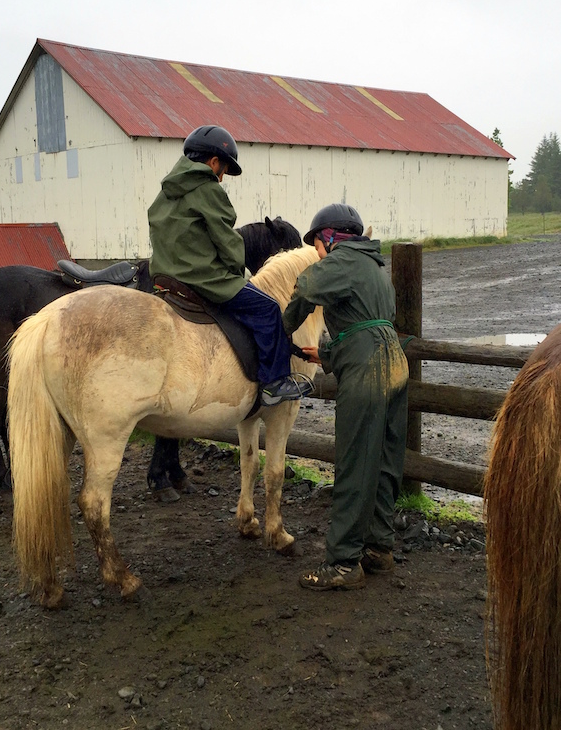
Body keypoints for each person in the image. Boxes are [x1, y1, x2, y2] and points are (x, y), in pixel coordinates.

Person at [283, 203, 409, 590]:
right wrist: (331, 354)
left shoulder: (343, 258)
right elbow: (369, 327)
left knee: (355, 462)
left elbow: (306, 286)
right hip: (395, 363)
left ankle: (342, 563)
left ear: (331, 237)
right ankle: (378, 548)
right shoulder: (374, 267)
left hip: (368, 369)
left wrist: (282, 327)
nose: (318, 253)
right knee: (385, 461)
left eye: (318, 245)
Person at [147, 124, 313, 406]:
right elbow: (227, 240)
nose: (222, 178)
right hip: (203, 279)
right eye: (223, 170)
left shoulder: (166, 193)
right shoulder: (207, 189)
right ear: (213, 162)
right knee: (268, 308)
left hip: (164, 276)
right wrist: (239, 271)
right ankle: (275, 382)